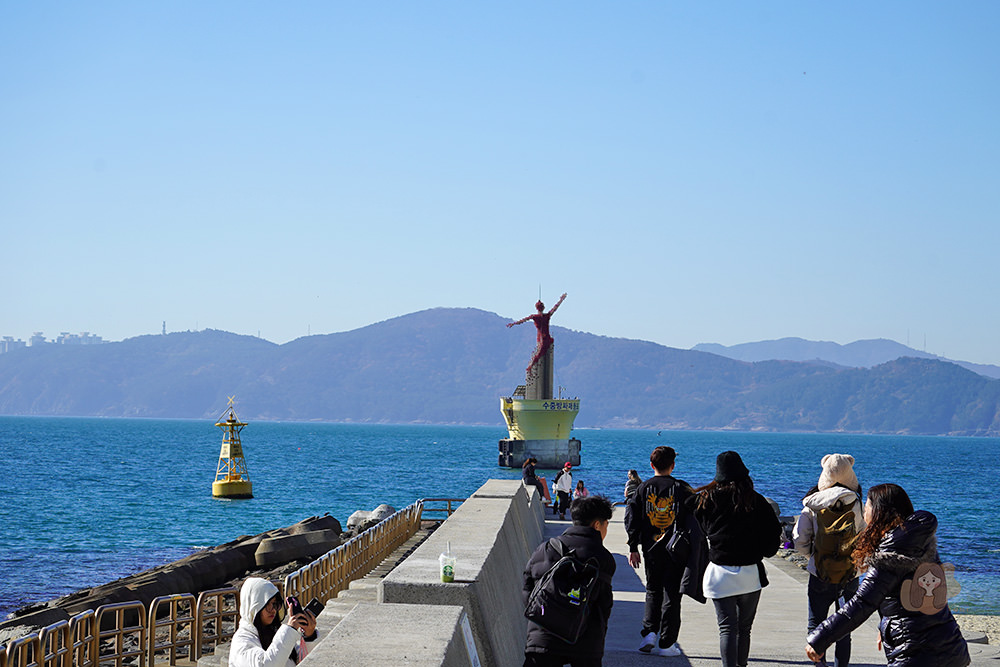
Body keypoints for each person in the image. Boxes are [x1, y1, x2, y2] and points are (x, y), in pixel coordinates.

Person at [806, 483, 970, 667]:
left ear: (878, 513)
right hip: (951, 647)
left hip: (915, 654)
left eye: (866, 506)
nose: (864, 511)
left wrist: (820, 638)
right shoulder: (921, 544)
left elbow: (862, 603)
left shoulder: (888, 557)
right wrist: (884, 624)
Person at [691, 451, 782, 667]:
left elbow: (695, 519)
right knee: (744, 628)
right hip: (750, 573)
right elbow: (773, 537)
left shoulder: (707, 500)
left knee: (727, 628)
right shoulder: (757, 501)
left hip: (719, 572)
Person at [522, 495, 616, 667]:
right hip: (585, 642)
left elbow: (528, 587)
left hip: (543, 636)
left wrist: (544, 616)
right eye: (606, 525)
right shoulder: (603, 558)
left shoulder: (547, 547)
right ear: (597, 525)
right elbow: (604, 605)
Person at [793, 454, 865, 667]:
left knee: (816, 623)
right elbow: (864, 538)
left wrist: (813, 557)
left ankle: (819, 665)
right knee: (843, 625)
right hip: (849, 573)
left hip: (820, 571)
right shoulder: (857, 503)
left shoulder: (812, 504)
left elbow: (799, 540)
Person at [625, 446, 693, 657]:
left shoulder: (642, 488)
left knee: (653, 591)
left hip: (651, 549)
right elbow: (694, 520)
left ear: (652, 465)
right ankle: (666, 643)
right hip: (677, 550)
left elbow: (631, 519)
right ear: (673, 465)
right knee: (672, 594)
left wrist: (633, 547)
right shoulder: (682, 489)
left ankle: (649, 633)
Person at [229, 577, 318, 667]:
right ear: (253, 607)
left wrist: (309, 636)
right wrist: (290, 630)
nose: (273, 610)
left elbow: (301, 660)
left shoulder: (273, 632)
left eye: (275, 604)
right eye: (266, 604)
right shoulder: (241, 641)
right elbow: (266, 664)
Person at [507, 293, 568, 373]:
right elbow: (555, 308)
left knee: (539, 353)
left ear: (536, 308)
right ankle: (531, 367)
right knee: (541, 352)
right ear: (543, 307)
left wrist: (514, 323)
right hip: (547, 338)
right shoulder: (547, 316)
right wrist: (561, 300)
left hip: (541, 338)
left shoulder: (535, 317)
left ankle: (530, 367)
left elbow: (523, 320)